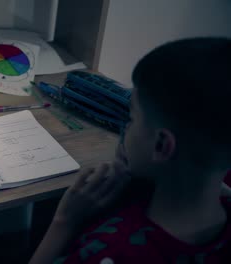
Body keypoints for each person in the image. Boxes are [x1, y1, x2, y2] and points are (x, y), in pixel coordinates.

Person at [29, 37, 231, 263]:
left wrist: (64, 222)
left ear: (161, 145)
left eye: (132, 119)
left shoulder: (107, 251)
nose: (126, 127)